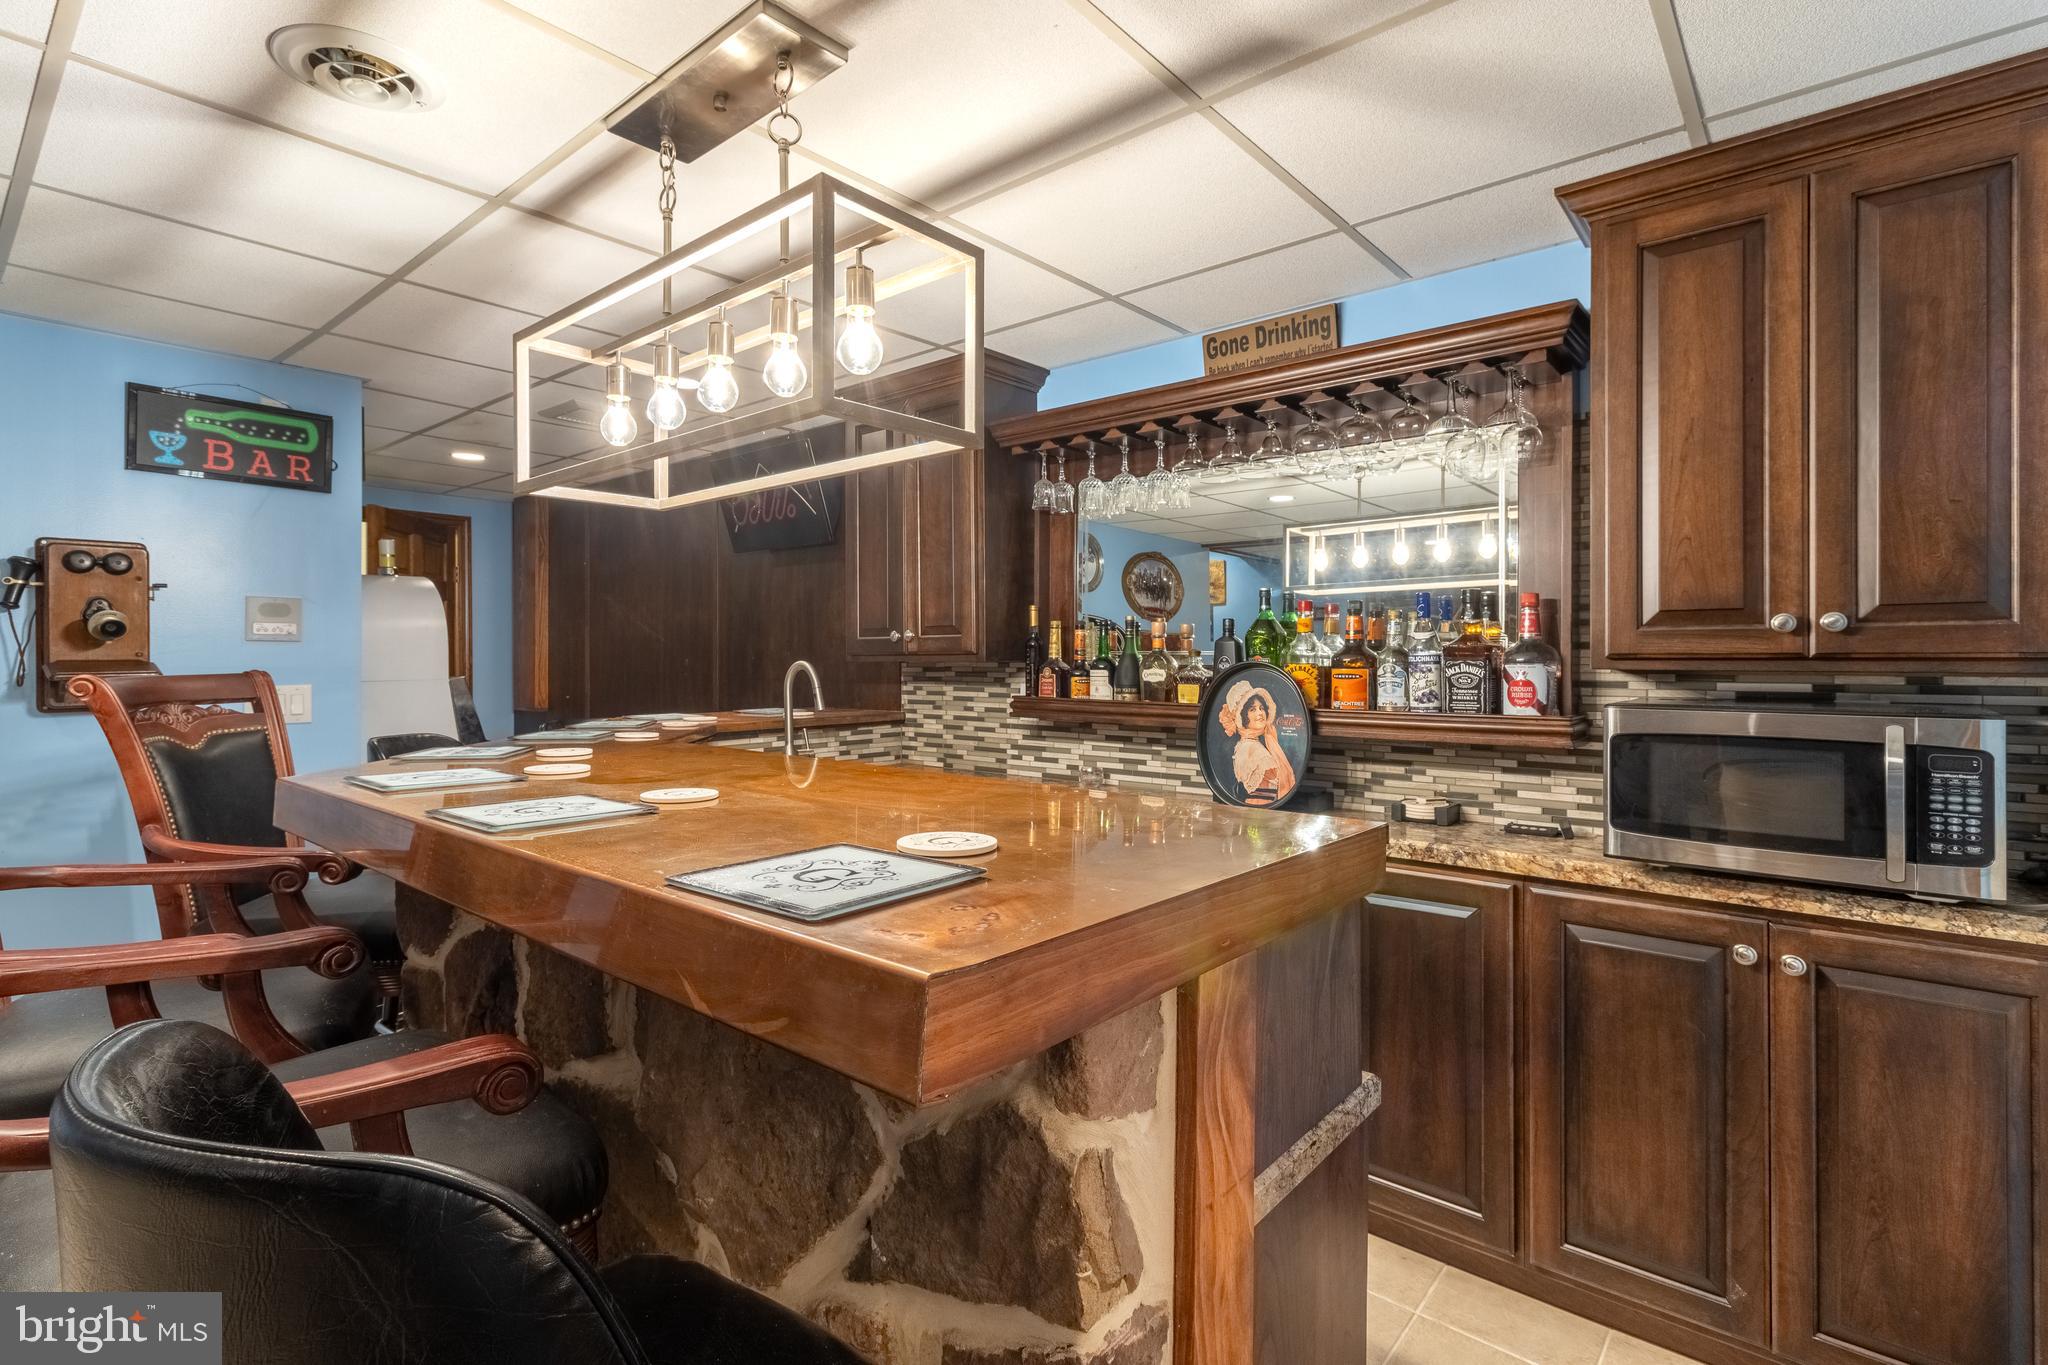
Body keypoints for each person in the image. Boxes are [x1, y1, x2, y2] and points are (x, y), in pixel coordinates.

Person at [1219, 680, 1296, 806]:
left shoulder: (1246, 744)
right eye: (1252, 709)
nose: (1260, 713)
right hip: (1259, 812)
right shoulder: (1252, 749)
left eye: (1261, 708)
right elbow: (1264, 794)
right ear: (1242, 717)